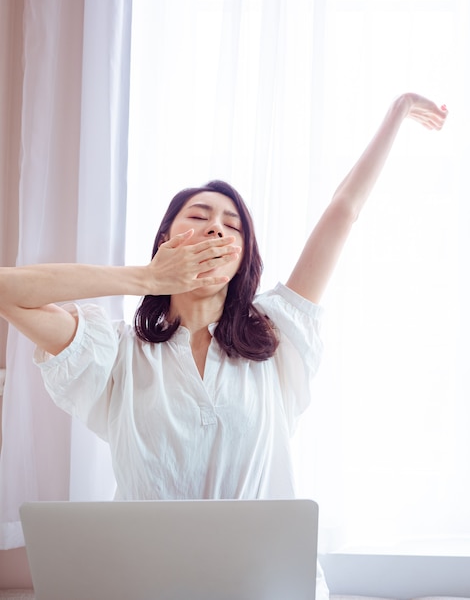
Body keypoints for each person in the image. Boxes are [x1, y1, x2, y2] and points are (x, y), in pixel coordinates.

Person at [0, 93, 447, 598]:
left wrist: (396, 114)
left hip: (262, 588)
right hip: (145, 584)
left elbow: (344, 211)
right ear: (166, 238)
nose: (217, 226)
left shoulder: (277, 338)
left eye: (233, 225)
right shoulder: (115, 354)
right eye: (198, 216)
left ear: (242, 259)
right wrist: (146, 277)